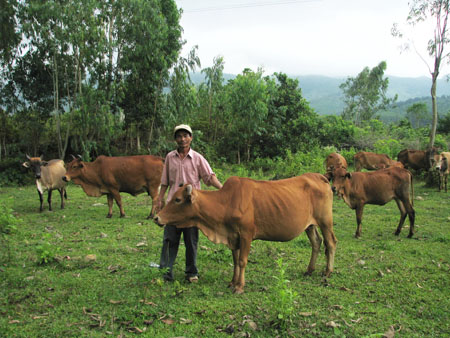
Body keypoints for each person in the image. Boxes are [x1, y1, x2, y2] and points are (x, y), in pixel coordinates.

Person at [155, 124, 222, 282]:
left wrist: (223, 189)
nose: (182, 139)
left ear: (191, 138)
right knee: (170, 238)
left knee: (191, 240)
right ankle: (166, 272)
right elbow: (164, 181)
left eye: (185, 135)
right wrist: (160, 198)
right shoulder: (170, 157)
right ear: (175, 139)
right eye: (179, 136)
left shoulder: (197, 158)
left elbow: (209, 177)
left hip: (191, 207)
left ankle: (191, 272)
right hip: (173, 205)